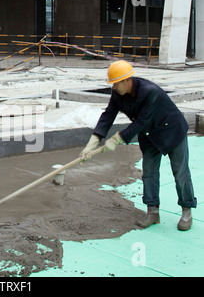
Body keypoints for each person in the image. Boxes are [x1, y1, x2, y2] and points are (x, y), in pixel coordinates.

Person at [80, 60, 197, 231]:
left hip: (171, 130)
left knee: (180, 172)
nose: (114, 87)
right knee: (149, 172)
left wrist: (116, 139)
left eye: (117, 83)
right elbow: (108, 115)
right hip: (149, 134)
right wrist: (93, 142)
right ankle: (152, 211)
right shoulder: (118, 93)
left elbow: (142, 121)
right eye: (112, 84)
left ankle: (186, 210)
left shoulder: (150, 92)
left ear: (128, 80)